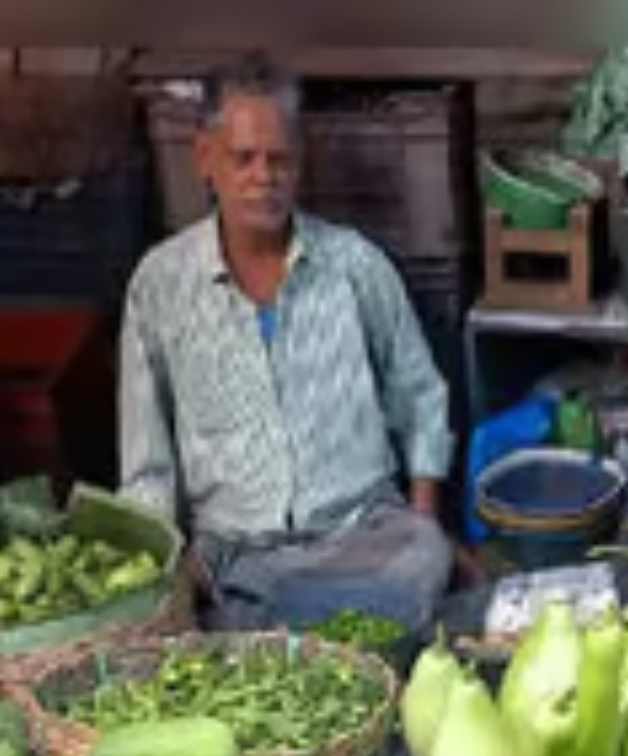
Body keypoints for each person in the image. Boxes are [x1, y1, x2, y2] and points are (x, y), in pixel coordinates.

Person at [119, 59, 456, 632]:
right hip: (238, 553)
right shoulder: (161, 285)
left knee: (421, 563)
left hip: (364, 536)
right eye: (243, 159)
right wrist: (173, 569)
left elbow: (420, 395)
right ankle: (300, 624)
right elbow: (147, 465)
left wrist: (425, 522)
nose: (263, 177)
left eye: (279, 160)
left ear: (300, 164)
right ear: (205, 159)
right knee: (200, 615)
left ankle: (295, 625)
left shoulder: (354, 265)